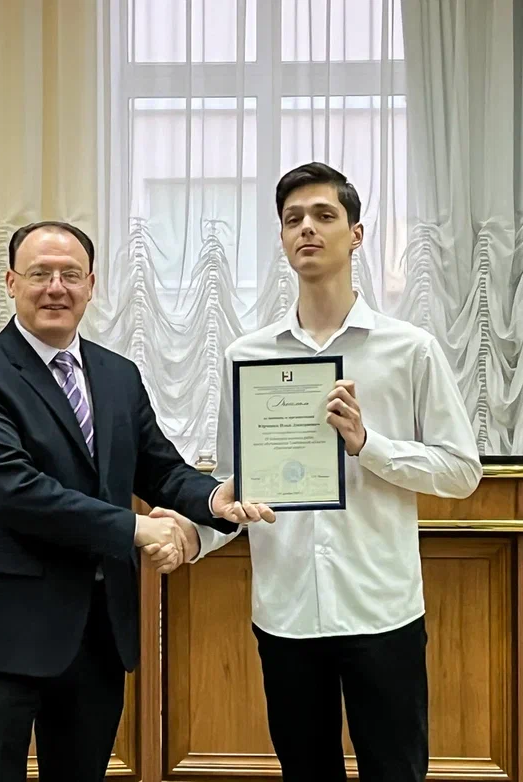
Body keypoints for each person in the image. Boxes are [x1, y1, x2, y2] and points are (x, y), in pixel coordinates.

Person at [0, 220, 274, 782]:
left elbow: (159, 468)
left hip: (98, 628)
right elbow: (16, 491)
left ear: (91, 285)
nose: (55, 288)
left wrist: (215, 497)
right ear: (11, 283)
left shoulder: (118, 375)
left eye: (70, 275)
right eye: (39, 274)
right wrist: (136, 529)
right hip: (3, 627)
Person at [180, 163, 482, 782]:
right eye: (293, 219)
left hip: (381, 608)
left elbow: (461, 471)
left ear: (357, 234)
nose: (307, 229)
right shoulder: (247, 356)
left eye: (324, 216)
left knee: (396, 771)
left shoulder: (409, 348)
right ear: (282, 238)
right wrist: (193, 534)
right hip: (286, 609)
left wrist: (368, 444)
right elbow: (238, 485)